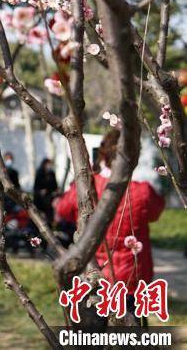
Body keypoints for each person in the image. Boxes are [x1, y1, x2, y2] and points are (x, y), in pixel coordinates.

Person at [55, 129, 165, 314]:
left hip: (94, 274)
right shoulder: (142, 191)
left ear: (103, 153)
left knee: (95, 335)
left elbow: (63, 210)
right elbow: (156, 211)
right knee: (131, 333)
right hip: (132, 278)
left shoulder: (86, 186)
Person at [33, 158, 58, 226]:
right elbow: (35, 188)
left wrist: (56, 191)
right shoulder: (39, 173)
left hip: (50, 197)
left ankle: (52, 224)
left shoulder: (52, 174)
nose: (49, 166)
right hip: (40, 199)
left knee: (50, 214)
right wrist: (40, 191)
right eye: (48, 164)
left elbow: (55, 186)